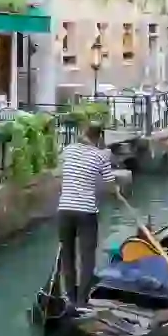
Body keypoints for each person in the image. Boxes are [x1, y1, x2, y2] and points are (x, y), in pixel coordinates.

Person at [57, 124, 115, 310]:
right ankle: (82, 301)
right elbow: (110, 186)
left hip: (64, 211)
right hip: (86, 213)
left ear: (83, 134)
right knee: (87, 257)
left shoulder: (67, 150)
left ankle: (71, 298)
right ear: (99, 137)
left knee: (67, 256)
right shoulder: (101, 156)